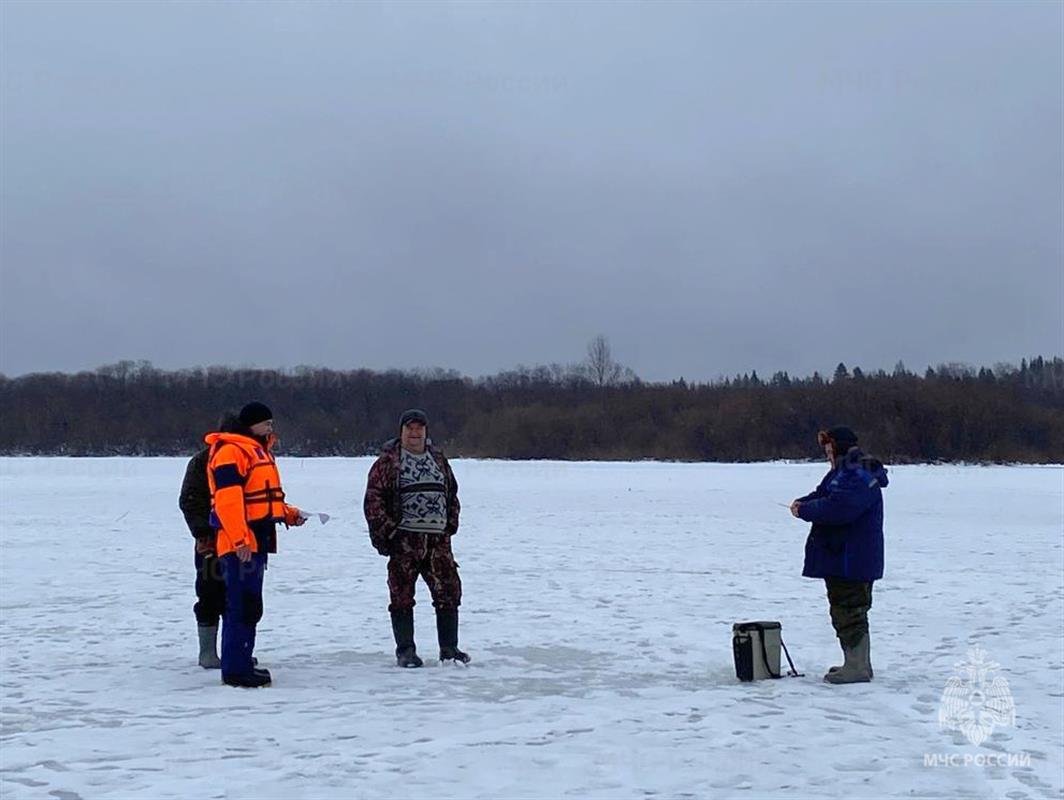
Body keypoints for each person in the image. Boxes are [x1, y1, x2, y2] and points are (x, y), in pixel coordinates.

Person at [206, 401, 305, 687]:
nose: (271, 427)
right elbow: (228, 501)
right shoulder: (231, 452)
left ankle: (242, 659)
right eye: (266, 423)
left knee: (250, 605)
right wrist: (240, 539)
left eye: (271, 423)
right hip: (241, 544)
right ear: (250, 424)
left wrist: (289, 514)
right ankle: (236, 670)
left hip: (257, 540)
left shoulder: (256, 451)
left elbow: (262, 500)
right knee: (241, 605)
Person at [363, 409, 468, 668]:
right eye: (410, 428)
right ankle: (406, 651)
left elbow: (451, 494)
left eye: (419, 427)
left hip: (437, 542)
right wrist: (388, 534)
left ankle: (449, 649)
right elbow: (373, 501)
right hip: (405, 540)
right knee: (401, 595)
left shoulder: (439, 460)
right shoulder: (388, 462)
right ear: (401, 431)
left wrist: (450, 524)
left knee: (449, 592)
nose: (415, 432)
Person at [790, 426, 888, 684]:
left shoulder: (856, 475)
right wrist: (803, 503)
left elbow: (838, 508)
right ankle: (858, 664)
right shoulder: (842, 472)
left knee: (849, 610)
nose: (827, 454)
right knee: (848, 609)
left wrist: (806, 511)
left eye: (829, 449)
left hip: (851, 559)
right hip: (842, 556)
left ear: (839, 447)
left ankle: (856, 667)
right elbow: (824, 495)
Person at [178, 419, 227, 669]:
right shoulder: (201, 462)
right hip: (209, 541)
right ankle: (207, 652)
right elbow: (189, 500)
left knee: (239, 597)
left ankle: (233, 651)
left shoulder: (251, 458)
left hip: (244, 542)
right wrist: (202, 533)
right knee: (209, 593)